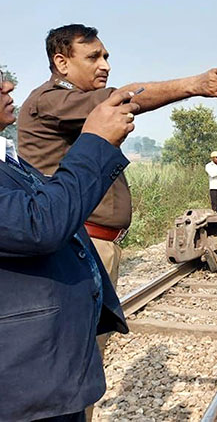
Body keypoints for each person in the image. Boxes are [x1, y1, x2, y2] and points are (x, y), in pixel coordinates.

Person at [17, 23, 217, 291]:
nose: (105, 66)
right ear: (62, 63)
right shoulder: (51, 100)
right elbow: (122, 97)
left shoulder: (77, 105)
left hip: (92, 245)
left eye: (106, 57)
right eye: (93, 57)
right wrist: (193, 85)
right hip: (78, 245)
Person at [0, 76, 136, 421]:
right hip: (22, 387)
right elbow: (40, 224)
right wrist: (93, 143)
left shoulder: (8, 158)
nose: (7, 86)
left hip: (43, 373)